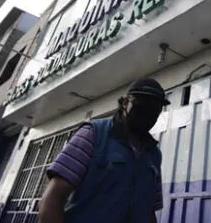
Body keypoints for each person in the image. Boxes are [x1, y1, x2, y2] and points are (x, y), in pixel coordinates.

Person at [39, 77, 169, 223]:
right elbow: (52, 199)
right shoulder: (93, 134)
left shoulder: (154, 154)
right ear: (125, 103)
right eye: (142, 104)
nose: (148, 113)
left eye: (155, 109)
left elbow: (149, 211)